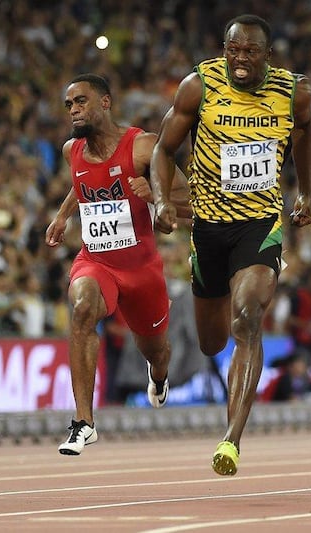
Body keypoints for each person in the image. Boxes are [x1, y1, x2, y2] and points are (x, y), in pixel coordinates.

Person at [151, 14, 311, 475]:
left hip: (259, 225)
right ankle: (162, 362)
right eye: (233, 49)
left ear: (268, 54)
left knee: (249, 316)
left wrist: (305, 190)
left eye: (250, 52)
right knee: (211, 342)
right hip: (207, 227)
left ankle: (231, 440)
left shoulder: (294, 92)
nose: (240, 59)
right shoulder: (198, 85)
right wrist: (162, 201)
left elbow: (304, 134)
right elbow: (164, 150)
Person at [45, 73, 190, 455]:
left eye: (81, 101)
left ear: (105, 103)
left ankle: (158, 378)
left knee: (157, 353)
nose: (74, 110)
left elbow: (194, 202)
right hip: (96, 262)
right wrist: (63, 215)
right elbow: (83, 184)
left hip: (142, 271)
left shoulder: (143, 148)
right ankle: (84, 422)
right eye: (69, 105)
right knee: (82, 306)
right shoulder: (69, 151)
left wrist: (158, 200)